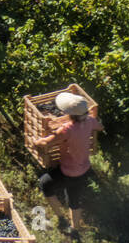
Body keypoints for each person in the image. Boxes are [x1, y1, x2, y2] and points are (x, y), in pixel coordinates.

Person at [36, 92, 102, 235]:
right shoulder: (90, 121)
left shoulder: (67, 130)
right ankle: (75, 229)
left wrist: (36, 142)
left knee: (44, 184)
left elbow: (47, 142)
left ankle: (61, 217)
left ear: (69, 114)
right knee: (74, 198)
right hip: (84, 169)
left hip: (68, 171)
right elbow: (100, 127)